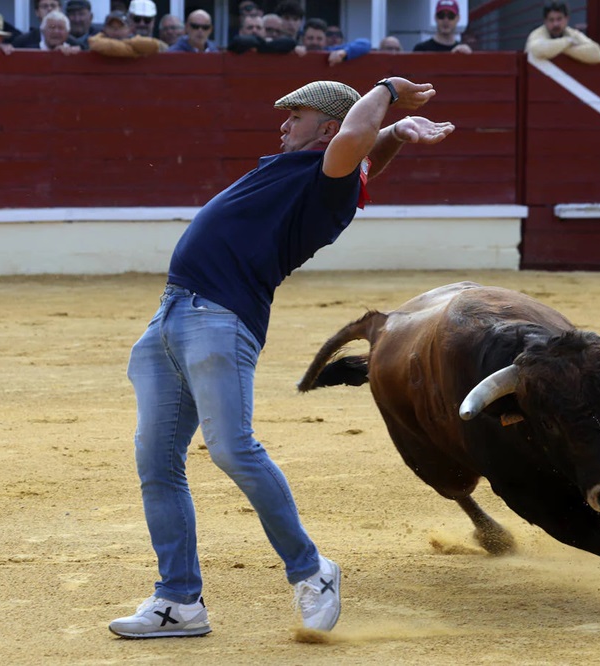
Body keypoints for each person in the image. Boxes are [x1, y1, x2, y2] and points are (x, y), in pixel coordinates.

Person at [107, 76, 454, 639]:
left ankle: (311, 570)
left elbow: (355, 140)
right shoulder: (314, 175)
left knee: (232, 447)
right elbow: (363, 149)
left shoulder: (327, 179)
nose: (282, 124)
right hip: (170, 317)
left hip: (219, 319)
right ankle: (179, 601)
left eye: (296, 116)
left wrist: (388, 90)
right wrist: (392, 133)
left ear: (327, 128)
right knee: (156, 460)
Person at [525, 1, 600, 64]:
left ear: (567, 19)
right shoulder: (538, 33)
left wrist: (562, 48)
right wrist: (568, 42)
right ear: (545, 21)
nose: (555, 24)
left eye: (559, 19)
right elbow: (536, 49)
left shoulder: (572, 33)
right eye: (551, 20)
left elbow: (597, 54)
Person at [294, 17, 369, 66]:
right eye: (310, 38)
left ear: (325, 40)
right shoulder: (295, 50)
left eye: (319, 39)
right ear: (303, 39)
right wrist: (293, 48)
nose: (314, 42)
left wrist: (344, 52)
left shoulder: (330, 51)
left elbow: (365, 43)